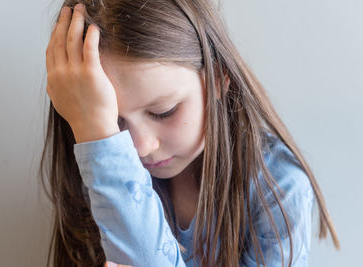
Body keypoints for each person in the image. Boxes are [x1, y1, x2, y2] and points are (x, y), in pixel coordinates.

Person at [40, 0, 340, 266]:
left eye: (163, 111)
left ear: (219, 78)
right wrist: (98, 140)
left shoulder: (278, 187)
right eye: (114, 125)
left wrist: (105, 145)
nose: (141, 147)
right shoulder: (92, 175)